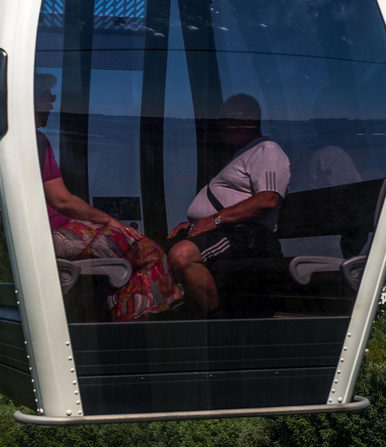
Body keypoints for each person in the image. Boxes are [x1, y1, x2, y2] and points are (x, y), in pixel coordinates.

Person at [35, 74, 182, 321]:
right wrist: (108, 221)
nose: (51, 104)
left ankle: (128, 306)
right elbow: (62, 200)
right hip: (56, 234)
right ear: (33, 99)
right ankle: (133, 324)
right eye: (48, 97)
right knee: (152, 252)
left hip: (43, 235)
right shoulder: (36, 141)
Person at [167, 94, 290, 317]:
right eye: (220, 120)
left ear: (249, 121)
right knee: (153, 254)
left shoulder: (267, 150)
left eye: (227, 119)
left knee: (182, 255)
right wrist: (195, 223)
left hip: (248, 236)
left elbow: (268, 199)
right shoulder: (241, 154)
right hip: (225, 231)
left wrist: (214, 219)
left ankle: (217, 322)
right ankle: (180, 312)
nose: (221, 125)